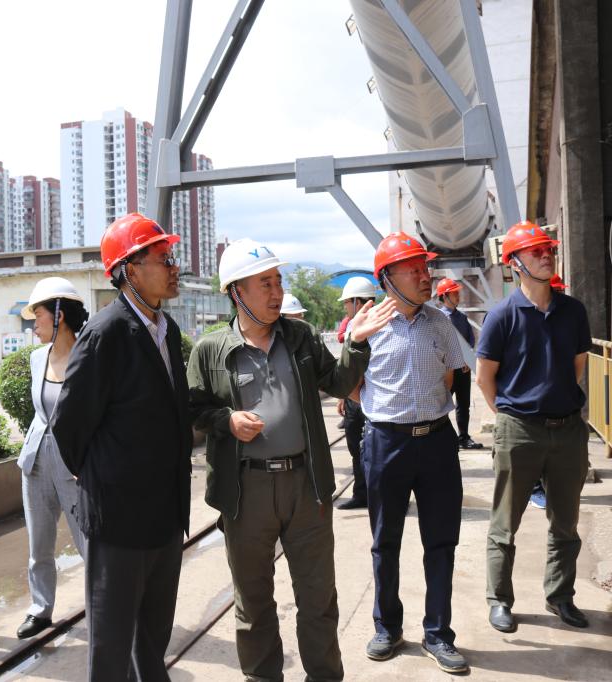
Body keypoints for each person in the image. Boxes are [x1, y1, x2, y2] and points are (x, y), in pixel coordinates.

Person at [187, 239, 392, 682]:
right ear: (236, 291)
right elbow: (193, 408)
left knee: (318, 599)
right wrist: (226, 420)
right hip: (246, 493)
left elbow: (338, 383)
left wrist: (356, 344)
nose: (277, 291)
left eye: (278, 281)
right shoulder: (210, 349)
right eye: (265, 283)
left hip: (305, 486)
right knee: (253, 603)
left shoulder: (300, 337)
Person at [51, 213, 191, 682]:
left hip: (164, 515)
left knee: (152, 640)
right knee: (112, 647)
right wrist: (103, 478)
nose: (174, 267)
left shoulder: (167, 330)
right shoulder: (106, 332)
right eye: (163, 258)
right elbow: (69, 424)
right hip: (118, 520)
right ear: (130, 270)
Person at [360, 232, 468, 674]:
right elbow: (350, 386)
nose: (426, 277)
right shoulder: (368, 327)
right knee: (385, 541)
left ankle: (438, 633)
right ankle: (387, 627)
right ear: (387, 278)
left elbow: (452, 376)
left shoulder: (440, 323)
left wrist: (425, 411)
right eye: (415, 270)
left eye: (426, 269)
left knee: (441, 541)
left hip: (437, 441)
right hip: (386, 443)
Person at [477, 222, 592, 633]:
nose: (547, 256)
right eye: (536, 251)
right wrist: (511, 416)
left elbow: (577, 367)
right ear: (515, 263)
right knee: (505, 523)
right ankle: (499, 600)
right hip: (519, 431)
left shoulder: (573, 311)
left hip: (568, 431)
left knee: (566, 522)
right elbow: (485, 378)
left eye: (549, 250)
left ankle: (560, 596)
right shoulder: (501, 316)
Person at [14, 276, 89, 640]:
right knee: (39, 542)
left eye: (38, 315)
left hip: (75, 464)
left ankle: (104, 606)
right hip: (36, 461)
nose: (34, 324)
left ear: (58, 315)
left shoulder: (88, 358)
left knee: (89, 541)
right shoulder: (36, 359)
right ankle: (40, 608)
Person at [334, 276, 379, 510]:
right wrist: (344, 396)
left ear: (356, 302)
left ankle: (376, 496)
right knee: (356, 448)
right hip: (355, 398)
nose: (345, 307)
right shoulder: (353, 326)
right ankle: (362, 494)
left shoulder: (378, 324)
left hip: (372, 399)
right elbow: (347, 367)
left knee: (374, 450)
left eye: (346, 302)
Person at [435, 278, 484, 450]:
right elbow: (439, 345)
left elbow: (470, 340)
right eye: (454, 293)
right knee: (442, 405)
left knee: (464, 404)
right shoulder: (438, 318)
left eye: (457, 292)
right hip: (446, 369)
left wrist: (467, 359)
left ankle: (463, 437)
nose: (458, 296)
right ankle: (441, 438)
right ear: (444, 296)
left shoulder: (462, 317)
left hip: (463, 369)